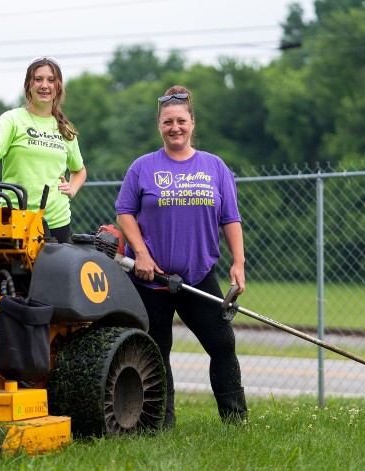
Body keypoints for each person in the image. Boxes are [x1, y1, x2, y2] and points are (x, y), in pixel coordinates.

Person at [114, 85, 247, 427]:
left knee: (221, 344)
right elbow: (124, 213)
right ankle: (160, 423)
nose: (175, 127)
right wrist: (140, 254)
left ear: (192, 123)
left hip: (198, 276)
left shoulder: (214, 167)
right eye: (168, 122)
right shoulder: (142, 167)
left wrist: (238, 263)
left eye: (181, 121)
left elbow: (230, 217)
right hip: (151, 280)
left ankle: (236, 422)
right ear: (159, 125)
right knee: (156, 354)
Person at [0, 56, 87, 243]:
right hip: (14, 217)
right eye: (38, 79)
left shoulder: (65, 128)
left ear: (58, 86)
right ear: (29, 85)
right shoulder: (12, 119)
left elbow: (79, 170)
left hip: (56, 221)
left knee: (52, 273)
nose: (45, 85)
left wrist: (73, 188)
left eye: (51, 80)